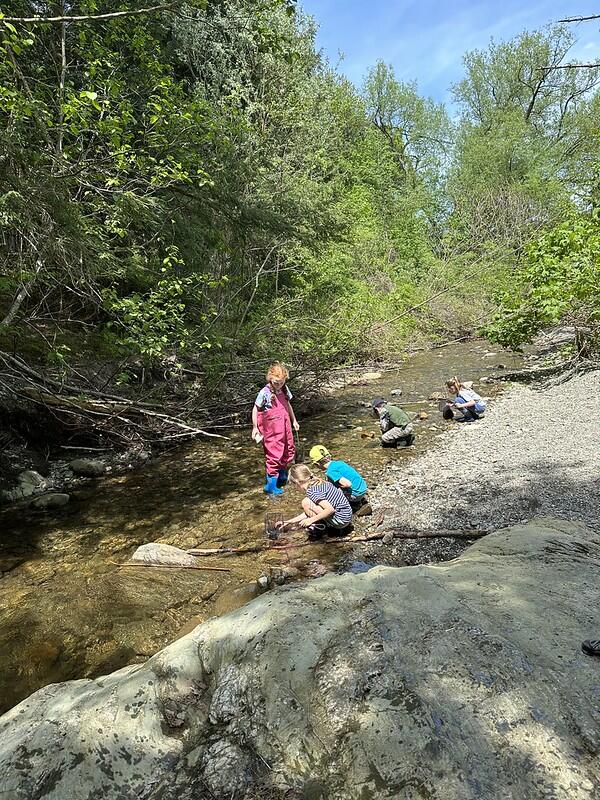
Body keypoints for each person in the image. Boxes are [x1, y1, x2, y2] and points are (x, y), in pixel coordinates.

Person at [252, 362, 299, 495]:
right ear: (270, 378)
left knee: (288, 449)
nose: (279, 384)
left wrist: (294, 420)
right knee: (274, 454)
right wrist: (255, 427)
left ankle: (282, 475)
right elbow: (255, 409)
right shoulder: (264, 392)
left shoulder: (284, 389)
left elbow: (288, 405)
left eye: (282, 382)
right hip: (271, 429)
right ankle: (271, 485)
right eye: (276, 382)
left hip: (285, 426)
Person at [279, 463, 353, 537]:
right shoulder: (320, 482)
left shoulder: (312, 491)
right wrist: (288, 521)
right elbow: (309, 511)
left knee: (306, 502)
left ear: (297, 482)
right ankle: (326, 524)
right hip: (347, 517)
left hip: (341, 520)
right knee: (308, 503)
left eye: (293, 484)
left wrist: (311, 520)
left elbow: (330, 510)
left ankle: (322, 528)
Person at [309, 444, 368, 510]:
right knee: (330, 482)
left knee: (330, 493)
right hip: (363, 488)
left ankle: (346, 506)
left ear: (317, 464)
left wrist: (338, 489)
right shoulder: (339, 463)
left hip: (356, 495)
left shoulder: (330, 471)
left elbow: (348, 484)